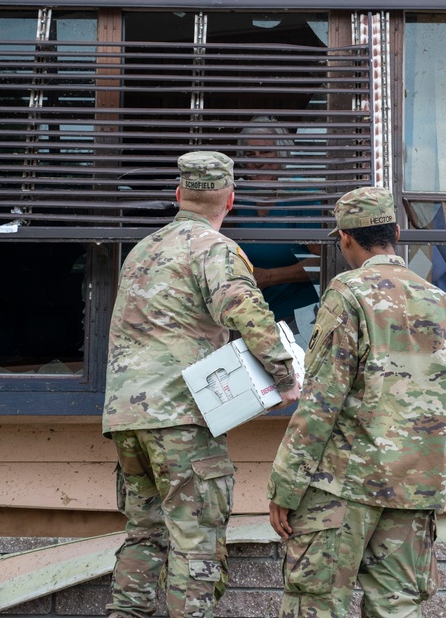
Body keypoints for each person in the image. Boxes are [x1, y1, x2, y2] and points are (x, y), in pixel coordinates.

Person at [102, 150, 301, 618]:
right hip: (181, 417)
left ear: (178, 195)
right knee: (196, 540)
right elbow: (245, 310)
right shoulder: (213, 248)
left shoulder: (143, 249)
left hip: (126, 416)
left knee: (144, 534)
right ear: (230, 200)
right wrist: (286, 376)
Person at [267, 186, 446, 617]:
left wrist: (285, 485)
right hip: (415, 485)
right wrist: (438, 484)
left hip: (344, 484)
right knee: (398, 608)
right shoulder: (442, 303)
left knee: (316, 603)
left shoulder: (348, 293)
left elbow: (321, 401)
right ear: (395, 231)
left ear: (345, 239)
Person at [235, 116, 320, 331]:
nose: (258, 161)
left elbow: (323, 263)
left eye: (266, 152)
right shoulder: (236, 197)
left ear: (282, 155)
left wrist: (270, 277)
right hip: (246, 315)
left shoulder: (302, 196)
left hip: (299, 316)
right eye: (250, 154)